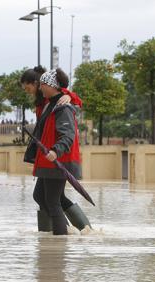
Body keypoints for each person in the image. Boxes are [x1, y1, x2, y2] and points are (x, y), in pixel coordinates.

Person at [20, 66, 91, 232]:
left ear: (40, 83)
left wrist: (68, 95)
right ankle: (69, 231)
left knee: (53, 200)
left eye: (28, 87)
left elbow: (67, 133)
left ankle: (62, 238)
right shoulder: (46, 103)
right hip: (47, 159)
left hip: (58, 158)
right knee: (42, 196)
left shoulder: (61, 104)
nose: (27, 91)